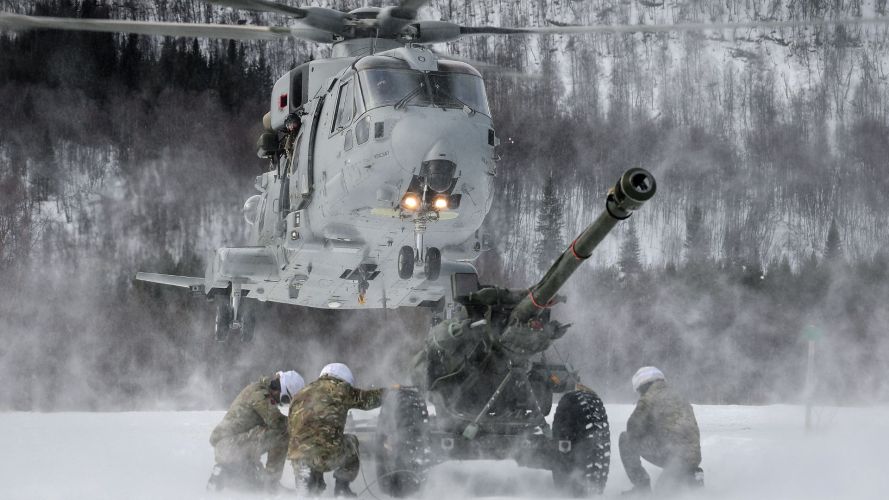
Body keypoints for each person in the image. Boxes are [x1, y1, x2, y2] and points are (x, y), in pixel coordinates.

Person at [287, 363, 384, 497]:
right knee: (351, 441)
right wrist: (391, 391)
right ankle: (342, 489)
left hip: (298, 455)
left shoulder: (299, 394)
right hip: (325, 455)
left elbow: (291, 428)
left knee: (310, 483)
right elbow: (368, 399)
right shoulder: (341, 388)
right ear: (344, 379)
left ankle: (306, 482)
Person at [207, 370, 305, 492]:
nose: (282, 403)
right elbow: (277, 422)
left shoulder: (259, 390)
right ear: (281, 391)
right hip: (229, 446)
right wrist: (302, 424)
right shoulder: (260, 394)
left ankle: (226, 472)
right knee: (283, 432)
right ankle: (272, 484)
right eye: (285, 400)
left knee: (255, 485)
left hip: (232, 446)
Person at [620, 366, 703, 496]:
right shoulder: (679, 396)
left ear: (642, 385)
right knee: (670, 488)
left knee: (625, 438)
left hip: (673, 456)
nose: (639, 394)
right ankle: (691, 476)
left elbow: (633, 427)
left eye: (639, 391)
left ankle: (641, 487)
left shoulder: (649, 398)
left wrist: (647, 429)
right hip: (693, 457)